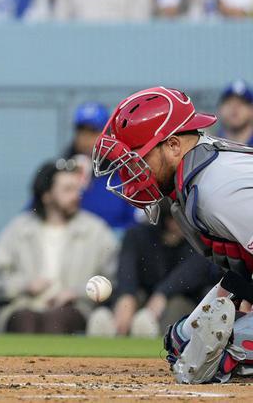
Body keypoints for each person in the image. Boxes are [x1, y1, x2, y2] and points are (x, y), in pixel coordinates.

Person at [92, 86, 253, 384]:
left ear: (174, 146)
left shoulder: (216, 190)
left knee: (230, 350)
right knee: (184, 342)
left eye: (137, 160)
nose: (130, 177)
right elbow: (242, 271)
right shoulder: (191, 184)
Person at [0, 158, 118, 334]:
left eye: (77, 189)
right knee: (25, 320)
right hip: (23, 305)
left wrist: (77, 293)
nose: (76, 195)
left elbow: (114, 279)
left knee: (56, 320)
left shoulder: (96, 231)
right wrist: (25, 285)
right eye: (67, 190)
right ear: (47, 196)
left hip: (74, 308)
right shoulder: (19, 229)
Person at [100, 214, 217, 338]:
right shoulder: (139, 234)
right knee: (128, 302)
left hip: (187, 299)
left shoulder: (201, 238)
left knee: (175, 305)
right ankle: (111, 330)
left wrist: (163, 293)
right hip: (144, 296)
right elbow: (127, 266)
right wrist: (126, 294)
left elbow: (195, 269)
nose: (176, 225)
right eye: (172, 219)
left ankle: (163, 342)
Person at [66, 102, 137, 231]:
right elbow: (35, 213)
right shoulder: (61, 173)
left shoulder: (125, 175)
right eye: (81, 131)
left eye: (93, 131)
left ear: (108, 135)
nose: (86, 138)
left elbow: (136, 225)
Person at [216, 80, 253, 145]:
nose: (234, 108)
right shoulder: (208, 147)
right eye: (229, 103)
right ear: (220, 109)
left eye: (241, 103)